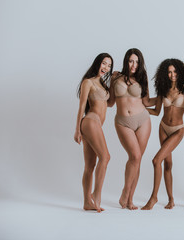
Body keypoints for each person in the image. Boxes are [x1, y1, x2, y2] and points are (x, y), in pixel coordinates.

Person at [108, 48, 155, 210]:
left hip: (143, 120)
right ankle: (125, 193)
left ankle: (129, 200)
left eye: (137, 61)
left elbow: (147, 102)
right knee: (134, 156)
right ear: (126, 61)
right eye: (131, 61)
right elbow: (110, 102)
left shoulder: (142, 78)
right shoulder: (115, 77)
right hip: (123, 122)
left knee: (137, 159)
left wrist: (164, 95)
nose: (134, 65)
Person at [141, 59, 184, 210]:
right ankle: (171, 200)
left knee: (156, 160)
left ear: (180, 72)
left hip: (178, 130)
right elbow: (155, 111)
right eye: (169, 72)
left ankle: (153, 197)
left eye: (175, 71)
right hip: (163, 128)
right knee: (167, 164)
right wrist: (139, 109)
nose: (172, 74)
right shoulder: (163, 90)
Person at [74, 53, 113, 212]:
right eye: (104, 63)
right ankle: (96, 194)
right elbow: (82, 106)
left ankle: (86, 202)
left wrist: (116, 80)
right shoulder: (88, 82)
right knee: (106, 157)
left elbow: (110, 104)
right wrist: (77, 129)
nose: (106, 68)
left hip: (96, 124)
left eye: (109, 65)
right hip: (90, 121)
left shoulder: (103, 84)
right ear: (97, 63)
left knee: (90, 165)